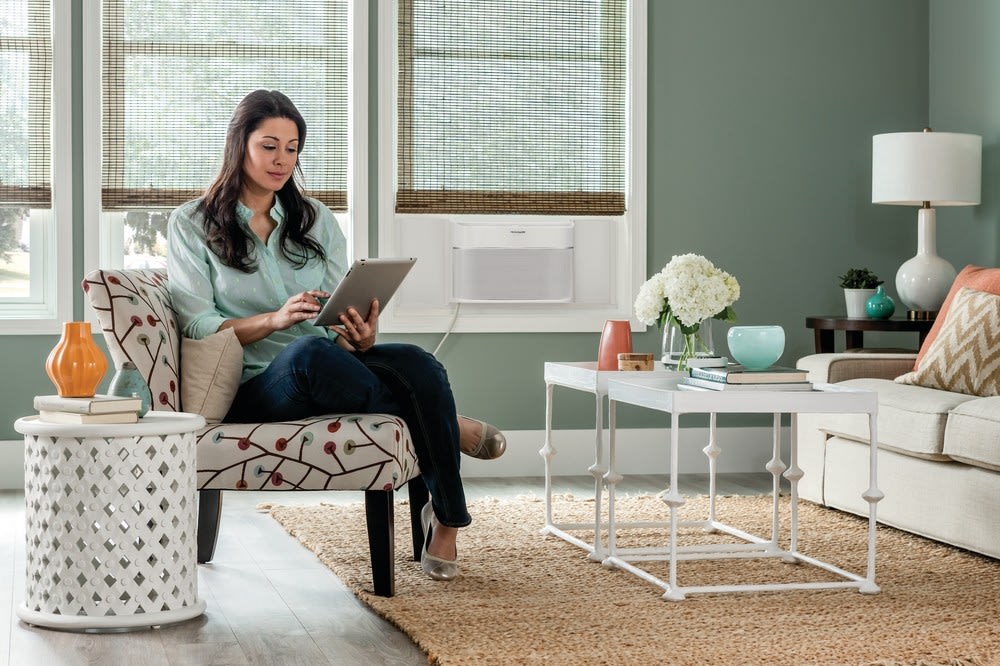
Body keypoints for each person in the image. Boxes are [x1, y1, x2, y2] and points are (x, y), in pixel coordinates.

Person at [167, 89, 505, 582]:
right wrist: (273, 320)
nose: (282, 159)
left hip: (334, 364)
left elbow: (340, 319)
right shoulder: (191, 223)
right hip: (257, 382)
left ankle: (448, 520)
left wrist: (360, 335)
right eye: (269, 145)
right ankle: (447, 424)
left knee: (417, 362)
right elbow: (196, 324)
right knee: (308, 353)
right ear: (239, 145)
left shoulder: (315, 219)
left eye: (293, 147)